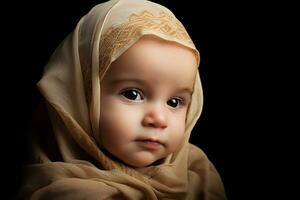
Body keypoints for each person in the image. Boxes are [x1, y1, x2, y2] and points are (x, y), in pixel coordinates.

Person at [17, 0, 226, 199]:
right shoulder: (57, 189)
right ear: (81, 96)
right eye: (132, 94)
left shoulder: (198, 175)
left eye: (174, 102)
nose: (159, 119)